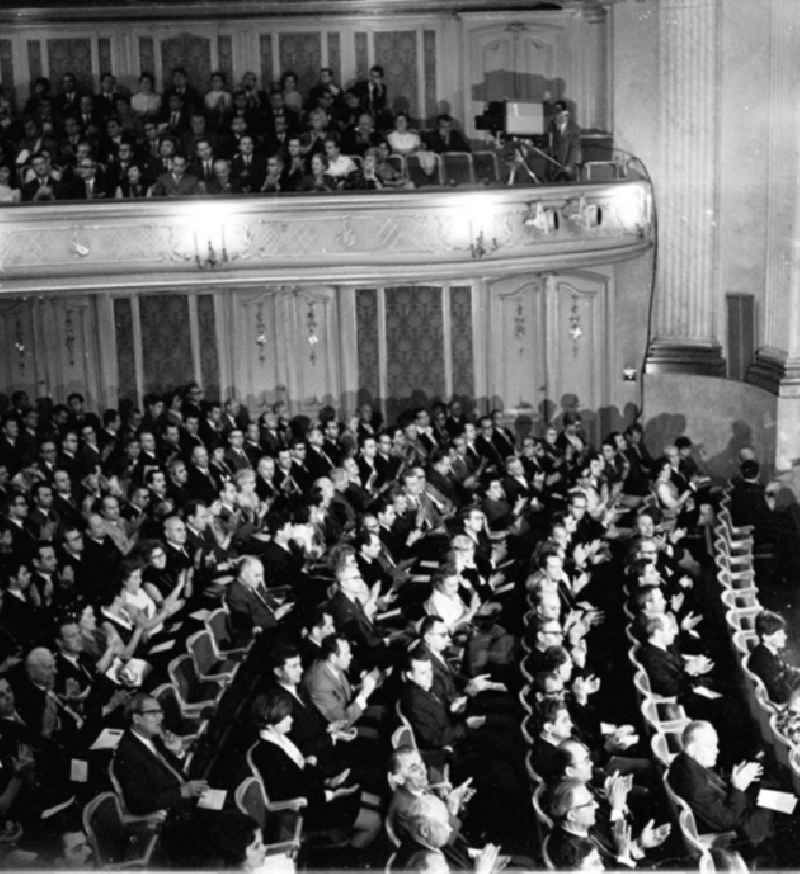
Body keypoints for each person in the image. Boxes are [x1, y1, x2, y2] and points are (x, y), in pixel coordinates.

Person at [668, 720, 772, 847]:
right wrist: (737, 787)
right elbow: (728, 821)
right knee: (782, 805)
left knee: (770, 788)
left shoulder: (683, 762)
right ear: (691, 749)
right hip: (740, 827)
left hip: (731, 806)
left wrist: (735, 780)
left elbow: (715, 786)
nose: (716, 751)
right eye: (710, 746)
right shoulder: (696, 787)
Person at [748, 611, 800, 705]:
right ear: (766, 637)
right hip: (783, 704)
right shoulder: (762, 660)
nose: (785, 637)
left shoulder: (765, 652)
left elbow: (787, 671)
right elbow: (780, 695)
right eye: (779, 634)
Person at [546, 100, 581, 182]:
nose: (556, 116)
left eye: (559, 113)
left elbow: (574, 149)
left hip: (568, 169)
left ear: (566, 114)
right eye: (555, 114)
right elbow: (550, 146)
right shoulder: (551, 126)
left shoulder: (574, 128)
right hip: (553, 170)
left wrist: (569, 165)